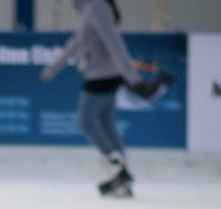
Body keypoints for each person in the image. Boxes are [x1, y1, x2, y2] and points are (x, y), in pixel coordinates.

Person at [40, 0, 159, 198]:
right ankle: (122, 179)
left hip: (102, 75)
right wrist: (53, 68)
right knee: (106, 124)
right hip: (102, 73)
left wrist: (134, 79)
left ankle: (118, 170)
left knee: (86, 122)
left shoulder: (96, 7)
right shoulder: (86, 9)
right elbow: (77, 43)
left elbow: (114, 43)